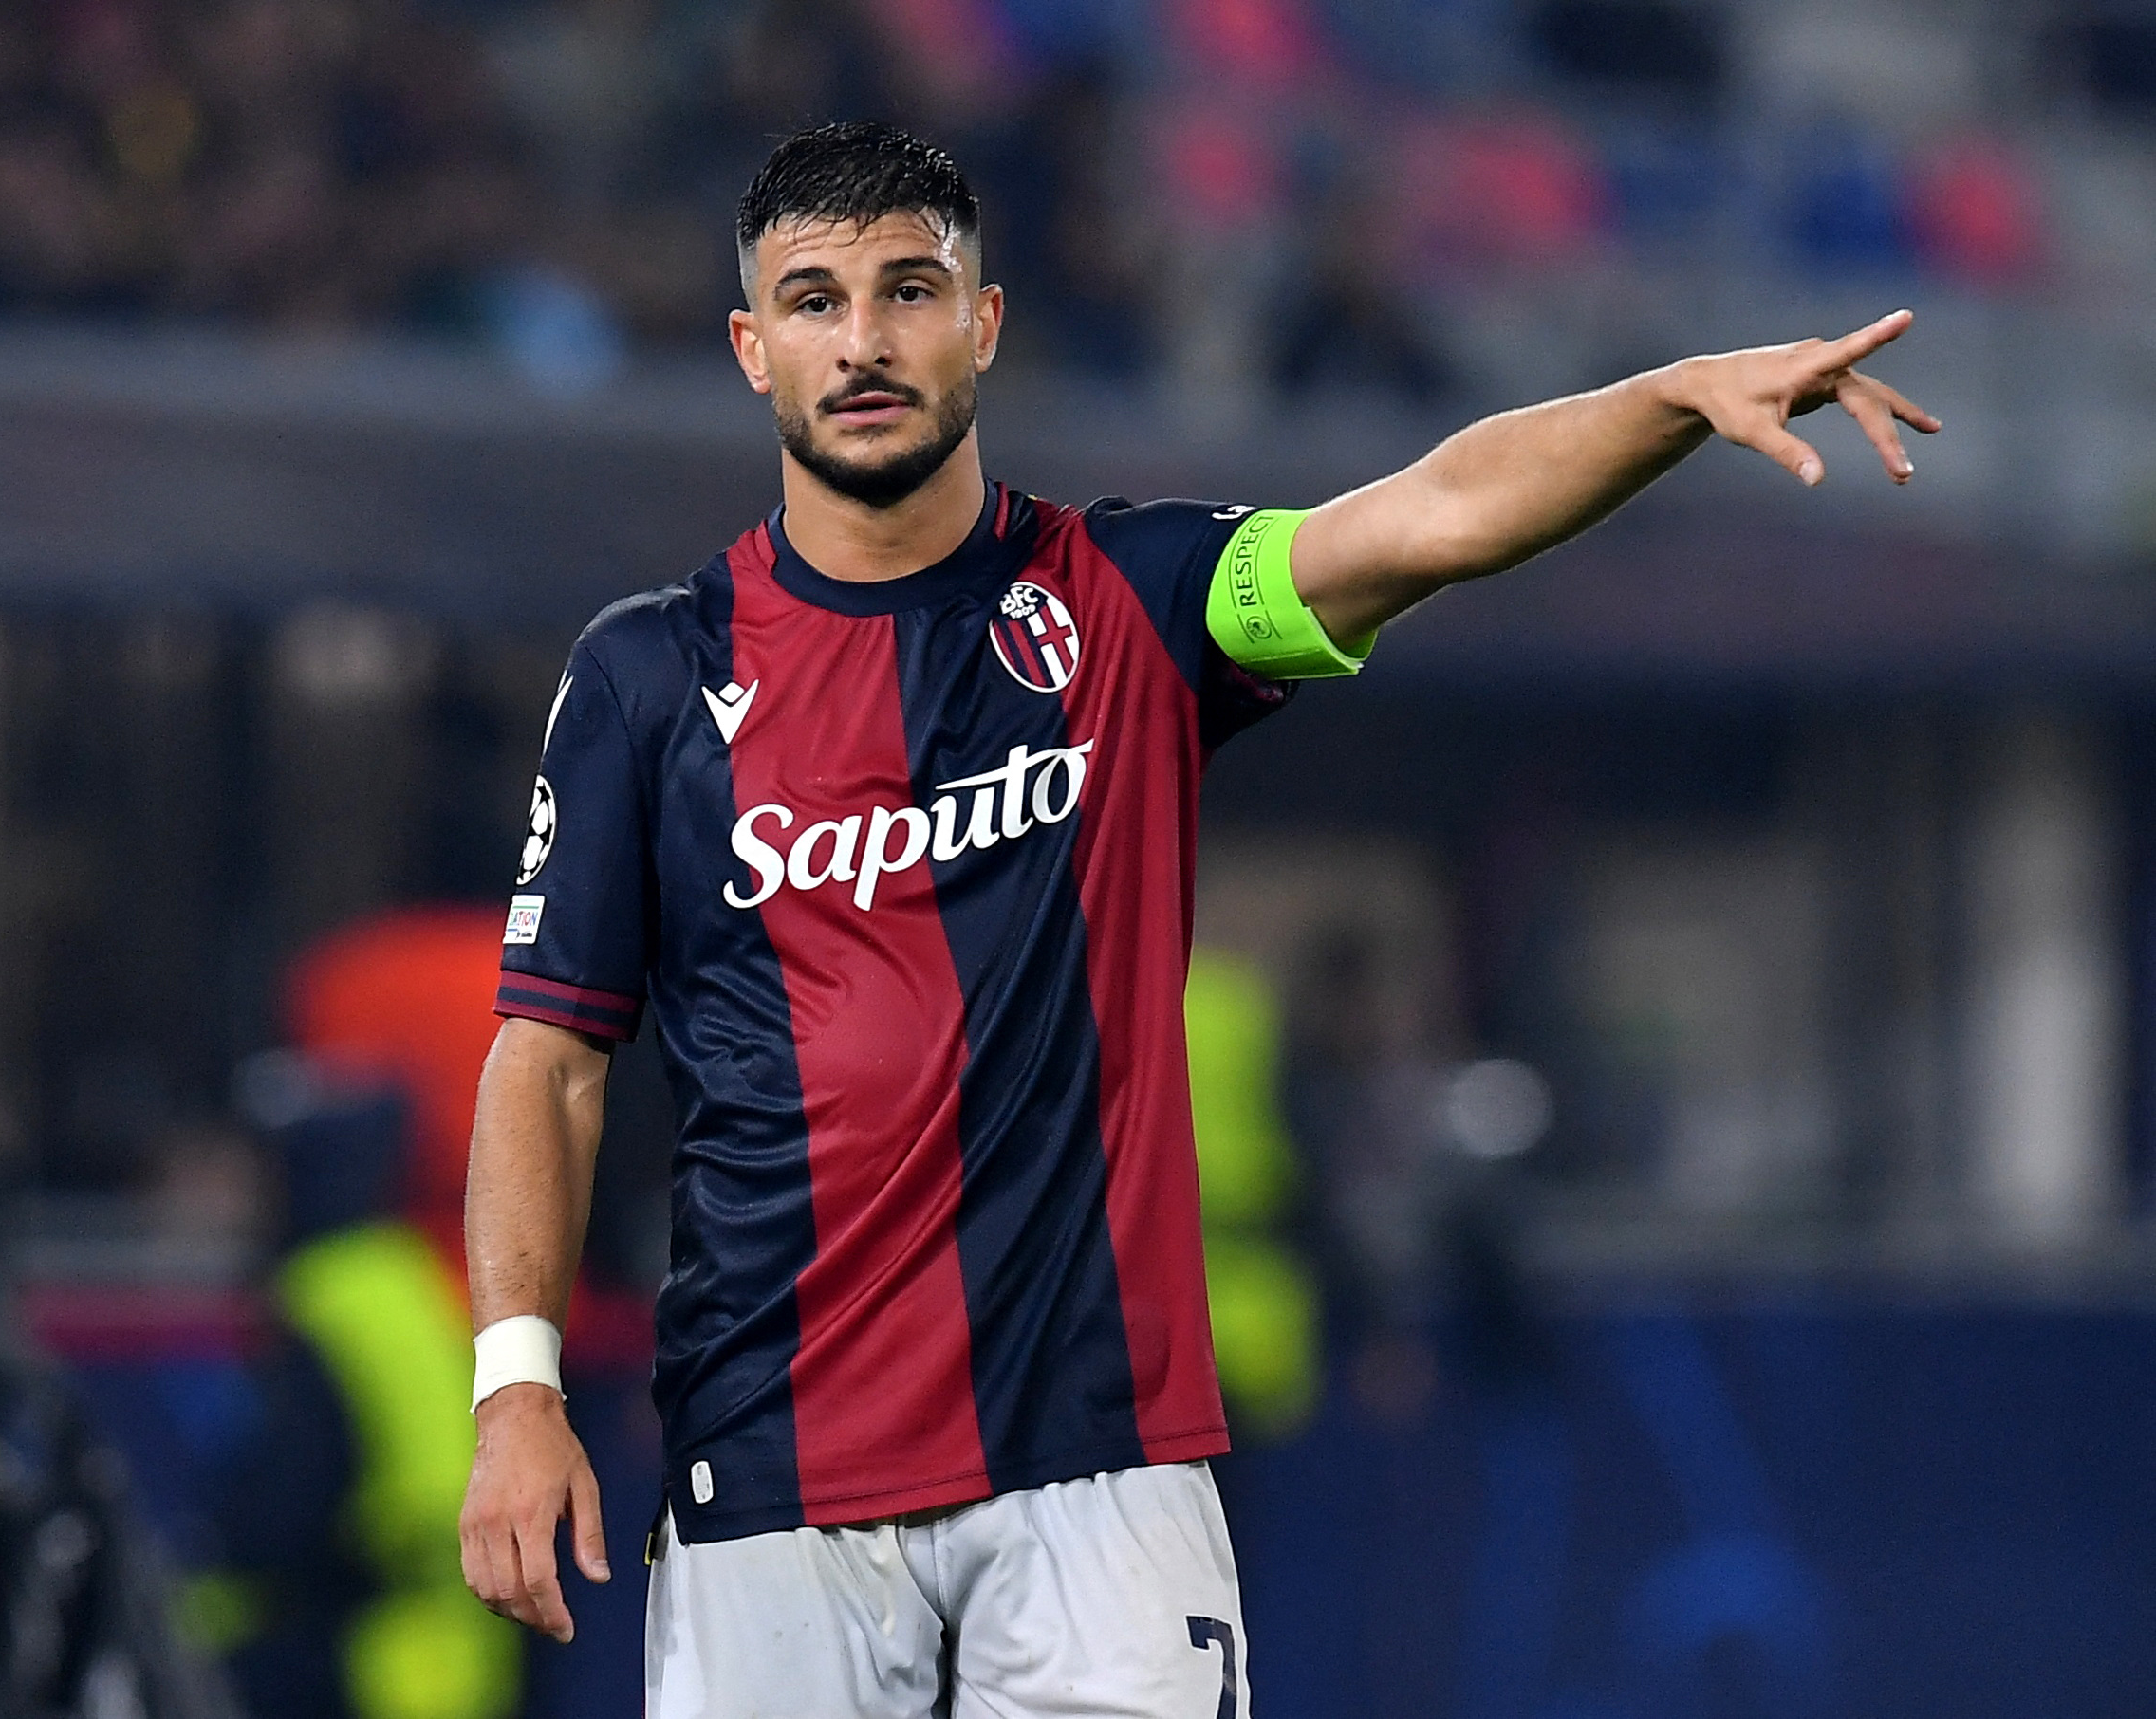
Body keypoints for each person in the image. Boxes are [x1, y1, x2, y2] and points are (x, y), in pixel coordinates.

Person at [457, 120, 1937, 1717]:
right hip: (768, 1466)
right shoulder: (646, 677)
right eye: (814, 301)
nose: (864, 340)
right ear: (754, 349)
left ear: (984, 324)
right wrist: (515, 1390)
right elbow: (548, 1060)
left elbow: (1430, 516)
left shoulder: (1132, 598)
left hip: (1098, 1471)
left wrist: (1669, 399)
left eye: (909, 291)